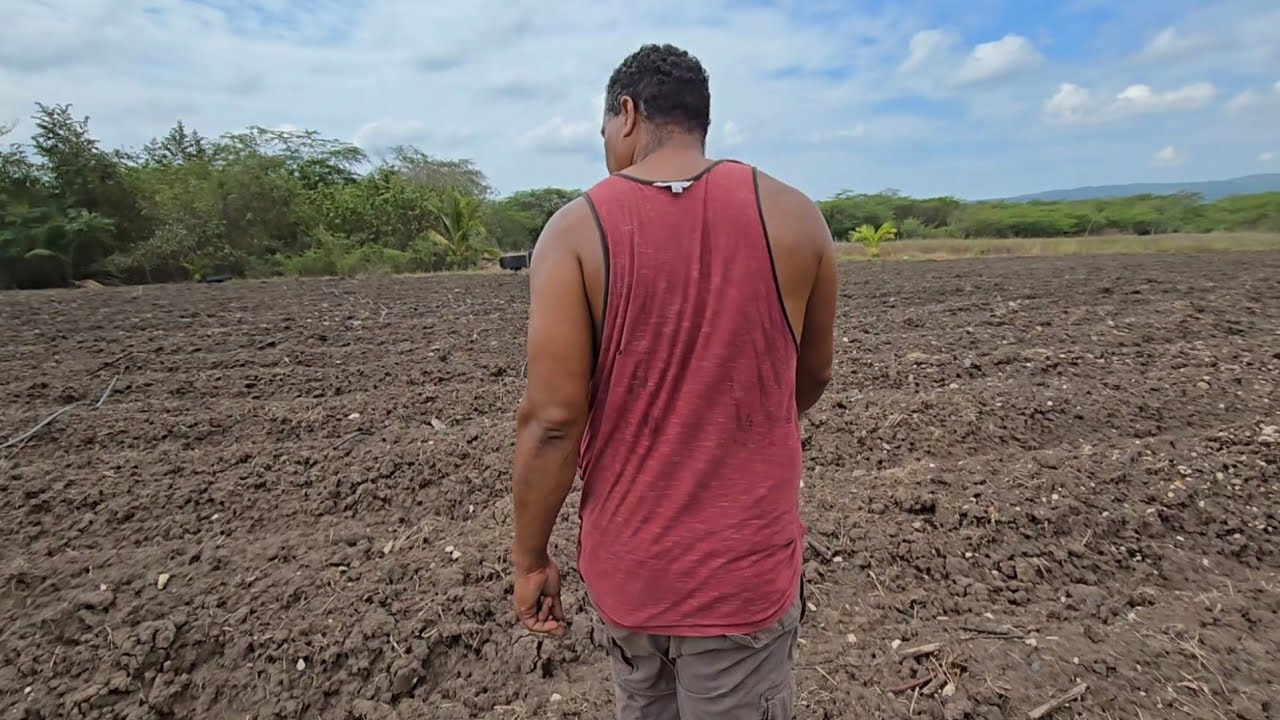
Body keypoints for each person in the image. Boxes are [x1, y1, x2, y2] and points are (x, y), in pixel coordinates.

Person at [510, 43, 837, 720]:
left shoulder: (572, 232)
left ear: (627, 114)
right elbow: (809, 377)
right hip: (741, 579)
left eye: (604, 127)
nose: (605, 143)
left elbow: (553, 421)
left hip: (631, 571)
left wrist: (531, 559)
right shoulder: (795, 215)